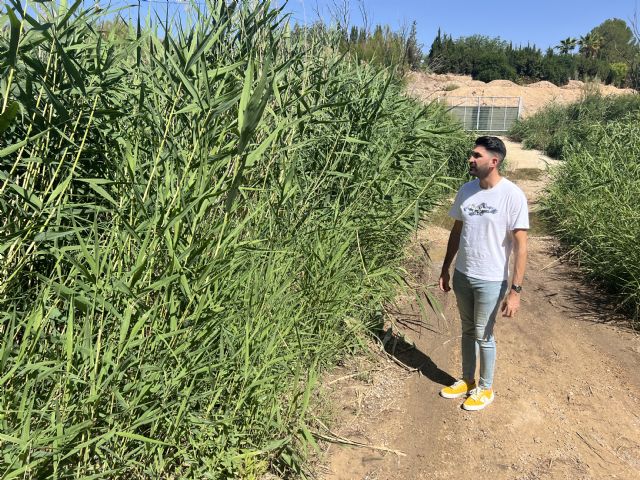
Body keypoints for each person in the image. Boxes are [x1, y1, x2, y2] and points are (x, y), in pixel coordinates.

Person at [438, 136, 528, 411]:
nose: (471, 159)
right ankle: (467, 379)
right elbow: (457, 231)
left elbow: (521, 247)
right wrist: (446, 267)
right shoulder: (466, 190)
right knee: (466, 330)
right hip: (464, 274)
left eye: (477, 155)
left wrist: (515, 291)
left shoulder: (512, 195)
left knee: (483, 334)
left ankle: (486, 388)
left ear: (494, 161)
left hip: (491, 279)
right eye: (471, 154)